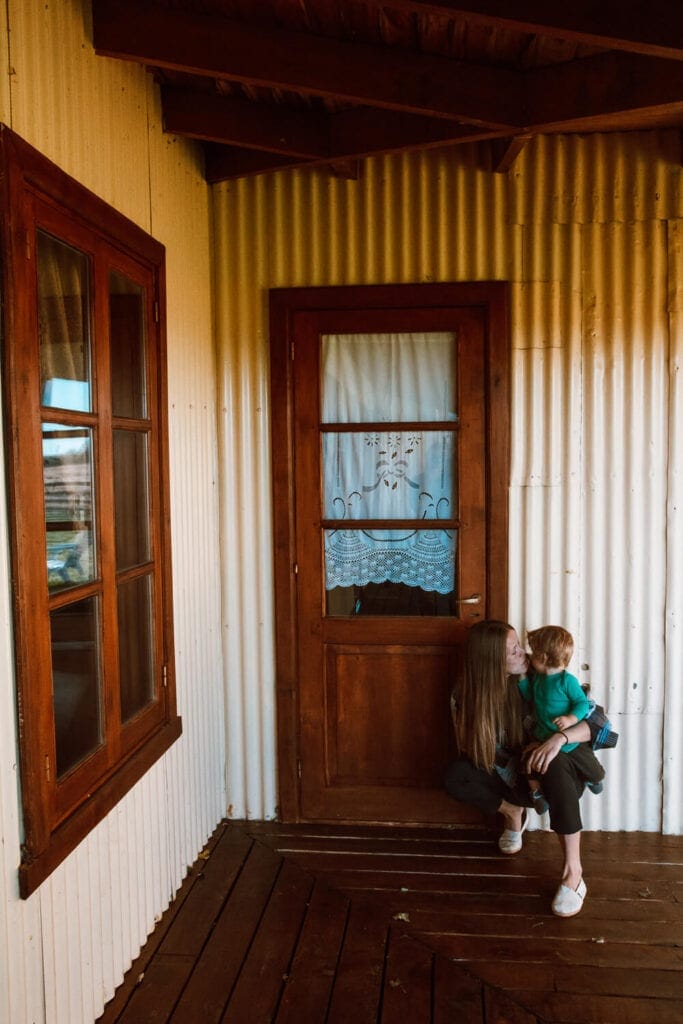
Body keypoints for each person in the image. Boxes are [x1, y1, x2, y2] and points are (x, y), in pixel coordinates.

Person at [445, 619, 594, 918]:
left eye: (518, 646)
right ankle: (512, 814)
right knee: (454, 776)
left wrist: (559, 738)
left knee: (555, 761)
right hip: (507, 776)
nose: (523, 653)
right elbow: (472, 751)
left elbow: (597, 722)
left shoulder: (538, 682)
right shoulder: (467, 695)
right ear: (490, 662)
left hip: (545, 781)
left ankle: (573, 873)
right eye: (513, 651)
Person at [520, 625, 604, 814]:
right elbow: (530, 697)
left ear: (543, 658)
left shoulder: (567, 681)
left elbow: (582, 703)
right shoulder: (539, 680)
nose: (529, 656)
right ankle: (537, 794)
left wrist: (569, 719)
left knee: (590, 766)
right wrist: (522, 679)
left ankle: (595, 778)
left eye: (533, 654)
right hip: (544, 737)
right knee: (529, 762)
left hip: (571, 741)